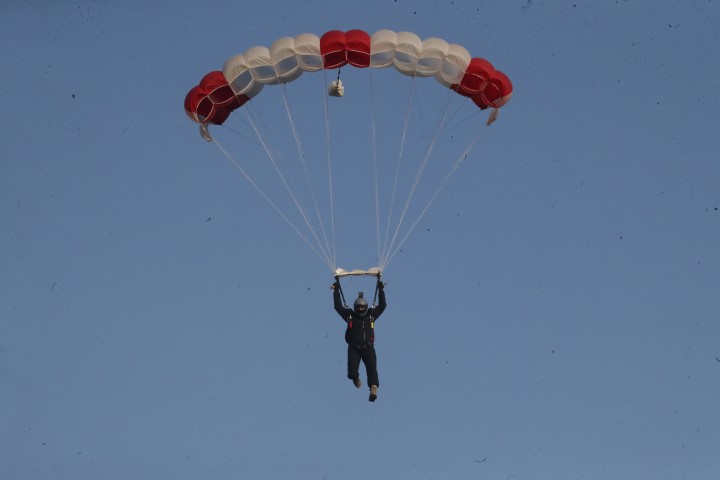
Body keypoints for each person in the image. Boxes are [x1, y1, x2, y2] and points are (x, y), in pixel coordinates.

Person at [332, 276, 386, 402]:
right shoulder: (350, 316)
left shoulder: (371, 315)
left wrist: (381, 290)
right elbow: (338, 306)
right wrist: (336, 290)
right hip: (354, 348)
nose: (361, 310)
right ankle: (355, 377)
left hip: (368, 347)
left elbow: (383, 305)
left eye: (363, 308)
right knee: (351, 371)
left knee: (372, 369)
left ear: (366, 307)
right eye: (359, 308)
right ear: (355, 308)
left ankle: (373, 388)